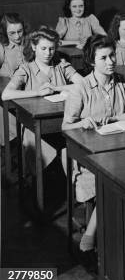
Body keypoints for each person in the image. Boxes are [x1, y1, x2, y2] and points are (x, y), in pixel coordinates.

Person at [62, 35, 125, 253]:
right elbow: (65, 126)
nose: (111, 61)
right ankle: (92, 233)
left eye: (112, 55)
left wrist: (114, 119)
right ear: (92, 61)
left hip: (120, 150)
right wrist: (83, 122)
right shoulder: (80, 87)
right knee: (113, 180)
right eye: (104, 58)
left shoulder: (122, 81)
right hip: (91, 155)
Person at [2, 26, 84, 172]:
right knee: (39, 149)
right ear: (34, 47)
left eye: (52, 49)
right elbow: (6, 94)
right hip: (35, 126)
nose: (48, 53)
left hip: (63, 120)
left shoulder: (61, 65)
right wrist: (37, 92)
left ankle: (75, 184)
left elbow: (84, 84)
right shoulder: (25, 69)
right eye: (43, 48)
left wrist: (58, 88)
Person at [0, 13, 27, 145]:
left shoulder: (30, 43)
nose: (17, 36)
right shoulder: (2, 47)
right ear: (5, 33)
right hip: (10, 93)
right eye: (12, 33)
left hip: (29, 90)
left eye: (20, 31)